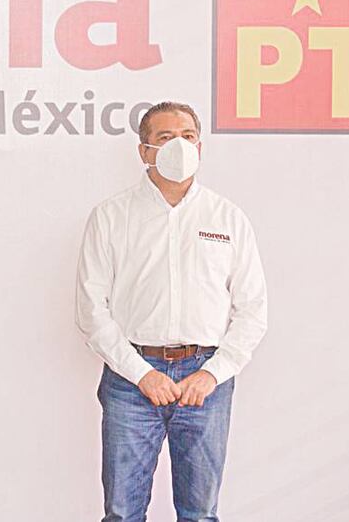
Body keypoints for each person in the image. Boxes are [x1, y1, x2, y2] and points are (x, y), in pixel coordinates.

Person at [75, 102, 268, 522]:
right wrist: (141, 372)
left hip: (206, 381)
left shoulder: (228, 218)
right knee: (122, 513)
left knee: (199, 513)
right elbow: (92, 310)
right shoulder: (110, 217)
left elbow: (252, 310)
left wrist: (212, 373)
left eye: (187, 136)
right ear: (144, 151)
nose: (178, 146)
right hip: (131, 380)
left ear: (201, 146)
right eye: (165, 138)